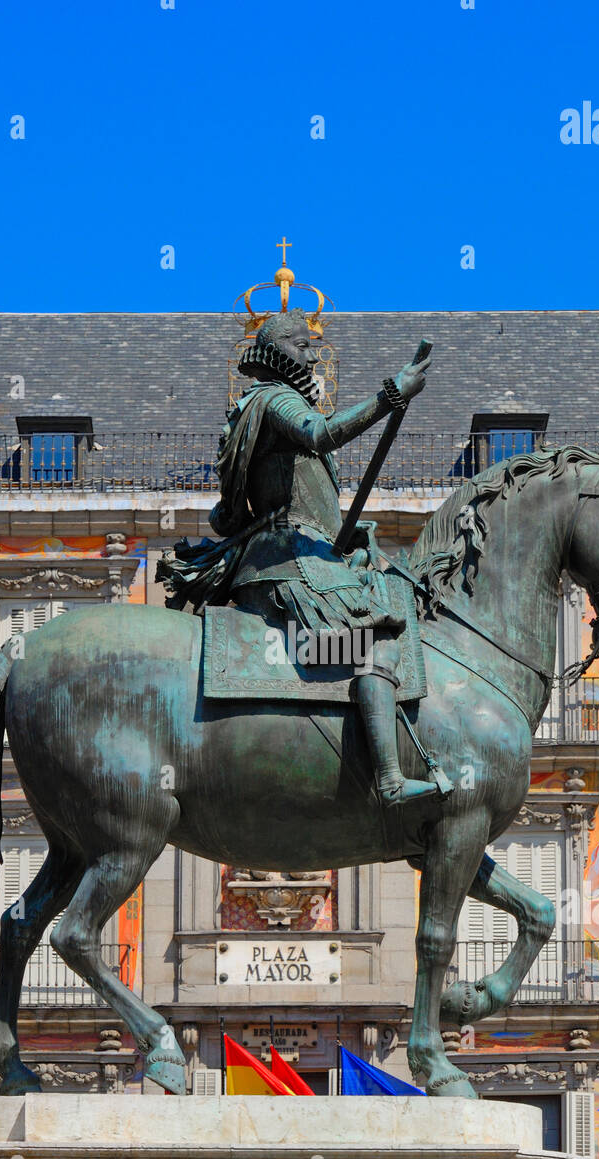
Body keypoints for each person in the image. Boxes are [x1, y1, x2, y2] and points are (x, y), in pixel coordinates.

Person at [206, 308, 439, 807]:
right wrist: (391, 393)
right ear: (276, 350)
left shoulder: (264, 405)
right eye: (302, 344)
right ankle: (389, 779)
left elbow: (301, 501)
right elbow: (321, 434)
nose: (312, 353)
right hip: (287, 563)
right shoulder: (274, 401)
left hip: (290, 555)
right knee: (378, 642)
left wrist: (346, 533)